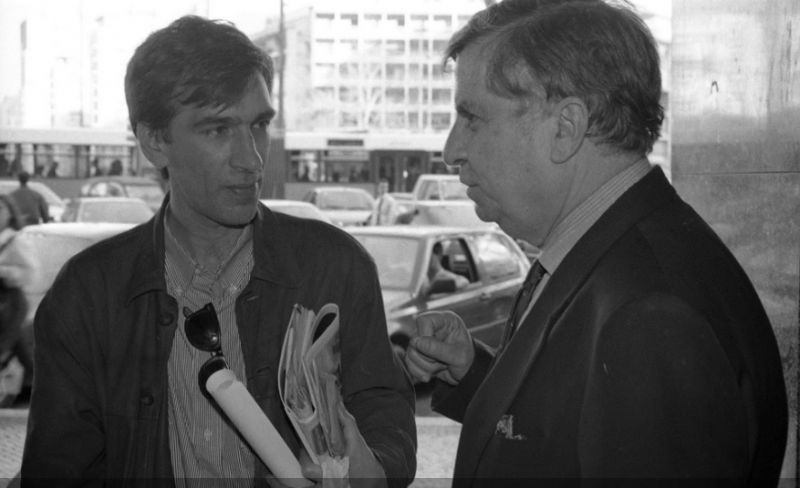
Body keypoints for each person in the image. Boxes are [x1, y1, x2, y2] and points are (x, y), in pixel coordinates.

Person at [21, 15, 416, 486]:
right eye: (217, 130)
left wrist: (371, 469)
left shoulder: (336, 266)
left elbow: (386, 417)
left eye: (260, 125)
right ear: (154, 141)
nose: (252, 159)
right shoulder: (87, 295)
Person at [403, 0, 787, 485]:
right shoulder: (612, 251)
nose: (451, 150)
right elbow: (581, 424)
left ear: (565, 128)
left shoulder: (651, 315)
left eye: (472, 118)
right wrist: (478, 377)